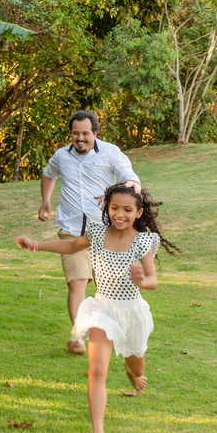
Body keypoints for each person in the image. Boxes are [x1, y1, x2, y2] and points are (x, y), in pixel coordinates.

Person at [17, 183, 177, 433]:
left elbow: (153, 280)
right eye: (114, 208)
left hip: (131, 312)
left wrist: (142, 280)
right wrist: (35, 245)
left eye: (127, 210)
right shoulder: (97, 232)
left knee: (135, 365)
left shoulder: (142, 242)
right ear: (107, 208)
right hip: (102, 309)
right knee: (97, 369)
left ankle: (134, 374)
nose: (119, 214)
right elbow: (71, 245)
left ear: (138, 213)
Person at [39, 110, 141, 354]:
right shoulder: (61, 155)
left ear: (95, 133)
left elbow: (132, 182)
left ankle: (113, 333)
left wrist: (114, 193)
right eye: (76, 133)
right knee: (77, 283)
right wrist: (45, 201)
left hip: (106, 232)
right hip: (72, 230)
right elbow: (48, 174)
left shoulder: (111, 153)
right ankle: (78, 337)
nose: (80, 138)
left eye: (85, 133)